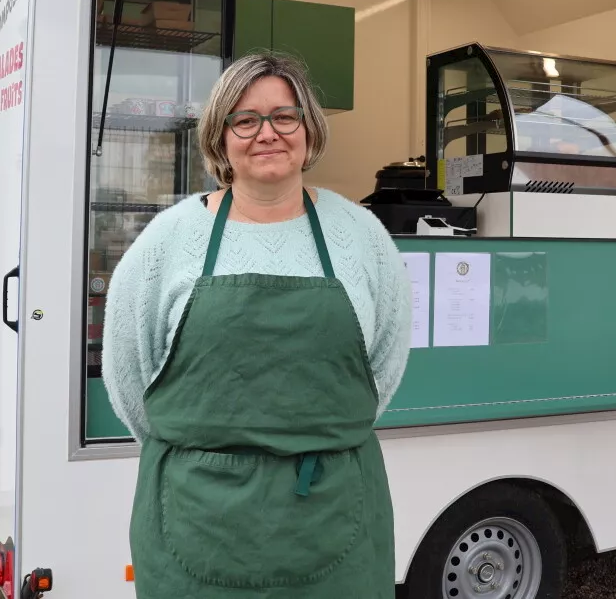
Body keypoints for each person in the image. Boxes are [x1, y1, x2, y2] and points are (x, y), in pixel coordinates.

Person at [101, 52, 413, 598]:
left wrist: (316, 439)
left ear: (309, 131)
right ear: (221, 139)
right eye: (245, 120)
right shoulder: (168, 240)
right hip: (195, 524)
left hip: (336, 515)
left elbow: (383, 367)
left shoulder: (361, 236)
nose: (267, 133)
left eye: (284, 116)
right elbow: (130, 380)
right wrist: (202, 459)